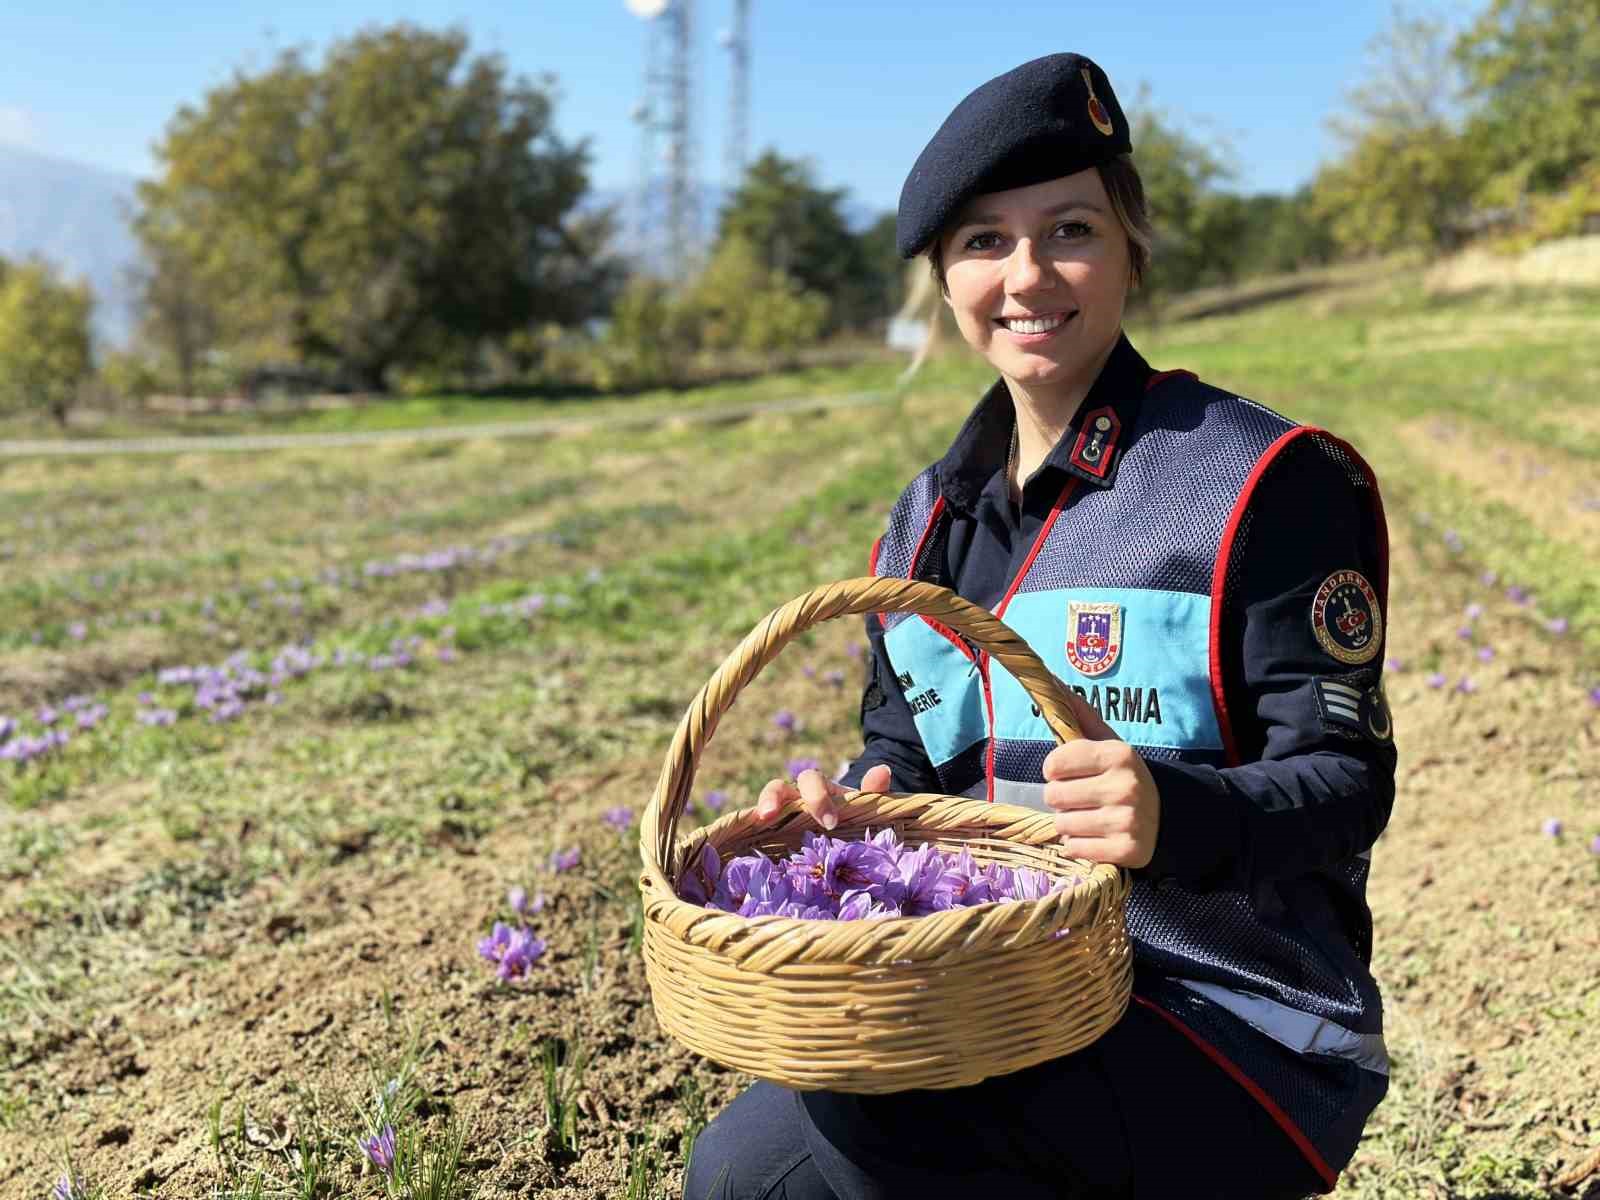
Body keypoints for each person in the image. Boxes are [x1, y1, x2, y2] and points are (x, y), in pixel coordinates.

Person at [684, 52, 1395, 1200]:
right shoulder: (921, 523)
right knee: (737, 1173)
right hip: (997, 983)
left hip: (1233, 1011)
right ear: (942, 278)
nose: (1027, 275)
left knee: (887, 1113)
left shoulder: (1263, 480)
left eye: (1068, 229)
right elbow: (906, 754)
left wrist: (1175, 812)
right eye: (982, 242)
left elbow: (1348, 783)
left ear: (1129, 250)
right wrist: (851, 812)